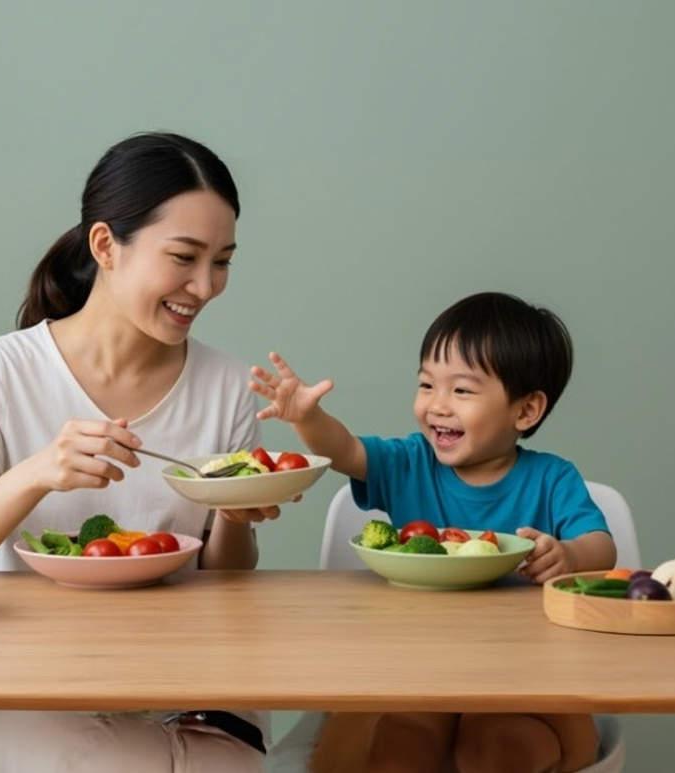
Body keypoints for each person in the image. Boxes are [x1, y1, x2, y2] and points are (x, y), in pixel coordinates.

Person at [0, 132, 274, 772]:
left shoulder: (226, 388)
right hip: (10, 684)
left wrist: (235, 522)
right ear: (106, 245)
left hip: (174, 681)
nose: (206, 285)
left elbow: (226, 589)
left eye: (223, 261)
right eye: (184, 256)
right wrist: (35, 474)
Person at [250, 291, 616, 773]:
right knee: (400, 746)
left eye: (461, 391)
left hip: (521, 677)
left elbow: (602, 547)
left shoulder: (551, 479)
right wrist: (308, 418)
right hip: (417, 670)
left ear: (525, 412)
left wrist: (568, 554)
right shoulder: (409, 462)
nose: (437, 406)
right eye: (427, 385)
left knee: (502, 748)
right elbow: (345, 451)